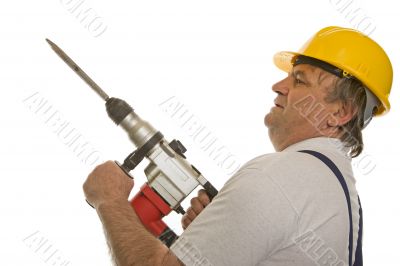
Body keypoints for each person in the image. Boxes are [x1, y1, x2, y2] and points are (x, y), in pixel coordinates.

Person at [83, 26, 393, 265]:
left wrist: (109, 200)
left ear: (339, 112)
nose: (278, 86)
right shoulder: (332, 187)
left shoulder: (282, 175)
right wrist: (212, 239)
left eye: (299, 80)